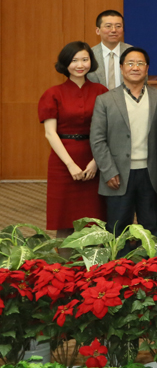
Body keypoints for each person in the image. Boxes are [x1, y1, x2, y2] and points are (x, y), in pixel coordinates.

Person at [89, 46, 157, 238]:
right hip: (118, 174)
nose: (135, 67)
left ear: (147, 68)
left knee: (149, 228)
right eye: (130, 63)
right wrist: (109, 171)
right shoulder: (105, 100)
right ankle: (118, 259)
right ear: (121, 67)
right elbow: (97, 139)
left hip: (150, 173)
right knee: (118, 229)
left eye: (140, 63)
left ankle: (147, 259)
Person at [40, 42, 108, 239]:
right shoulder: (53, 93)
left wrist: (96, 162)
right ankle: (65, 259)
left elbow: (108, 130)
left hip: (94, 156)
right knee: (64, 219)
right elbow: (50, 133)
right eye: (74, 60)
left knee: (95, 218)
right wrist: (70, 165)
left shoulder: (101, 91)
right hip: (62, 161)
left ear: (91, 62)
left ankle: (95, 259)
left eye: (85, 60)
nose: (80, 65)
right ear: (65, 63)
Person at [88, 10, 131, 89]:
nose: (114, 30)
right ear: (98, 31)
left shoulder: (133, 53)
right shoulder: (89, 55)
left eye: (118, 26)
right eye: (108, 26)